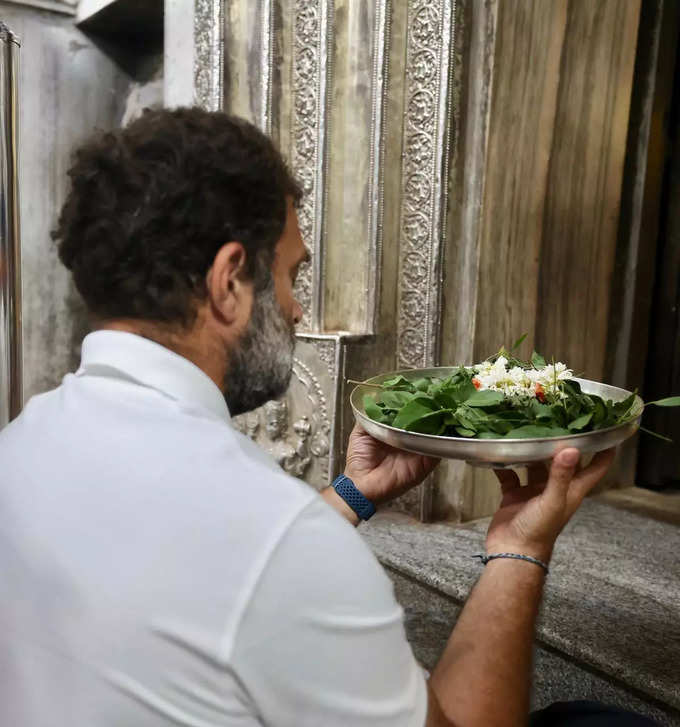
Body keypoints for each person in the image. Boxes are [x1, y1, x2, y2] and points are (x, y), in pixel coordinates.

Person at [0, 108, 656, 727]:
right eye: (290, 276)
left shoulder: (21, 444)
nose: (294, 309)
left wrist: (348, 496)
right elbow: (252, 554)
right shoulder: (270, 532)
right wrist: (521, 541)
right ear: (229, 281)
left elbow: (198, 566)